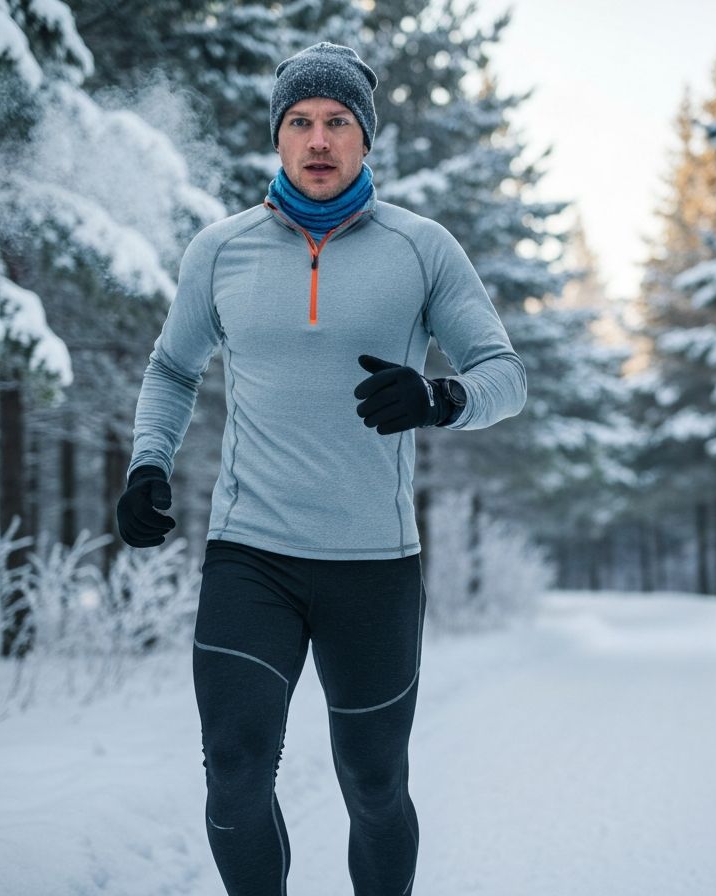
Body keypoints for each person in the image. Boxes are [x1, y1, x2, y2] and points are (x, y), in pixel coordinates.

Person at [115, 41, 526, 896]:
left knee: (374, 786)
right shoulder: (220, 252)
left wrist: (440, 397)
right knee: (232, 769)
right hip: (250, 555)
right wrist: (147, 463)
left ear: (366, 139)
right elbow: (173, 369)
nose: (318, 140)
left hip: (374, 565)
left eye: (338, 123)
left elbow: (505, 375)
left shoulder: (422, 249)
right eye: (300, 122)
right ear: (277, 137)